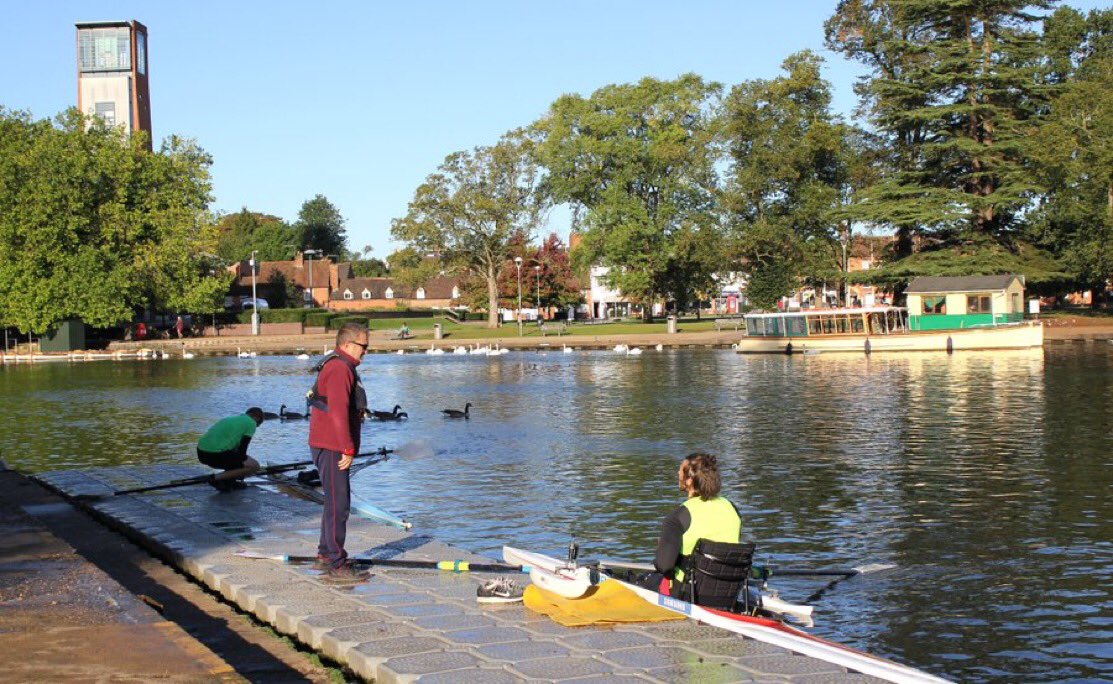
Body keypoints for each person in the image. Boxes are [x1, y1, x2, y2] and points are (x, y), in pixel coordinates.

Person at [307, 322, 369, 579]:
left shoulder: (341, 366)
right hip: (332, 445)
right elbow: (338, 412)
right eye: (363, 346)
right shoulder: (339, 368)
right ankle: (336, 563)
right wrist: (347, 447)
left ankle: (325, 554)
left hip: (330, 443)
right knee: (339, 504)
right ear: (347, 344)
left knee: (334, 501)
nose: (366, 351)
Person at [646, 453, 742, 599]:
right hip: (727, 592)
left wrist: (661, 550)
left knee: (643, 581)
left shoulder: (677, 517)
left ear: (690, 480)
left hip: (688, 593)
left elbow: (664, 567)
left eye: (680, 470)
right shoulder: (732, 508)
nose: (677, 473)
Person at [196, 408, 264, 492]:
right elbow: (243, 449)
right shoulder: (251, 423)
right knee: (254, 466)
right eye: (258, 424)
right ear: (257, 418)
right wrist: (242, 471)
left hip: (201, 453)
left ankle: (229, 482)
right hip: (214, 455)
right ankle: (215, 479)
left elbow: (233, 451)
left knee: (234, 456)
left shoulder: (230, 419)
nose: (257, 426)